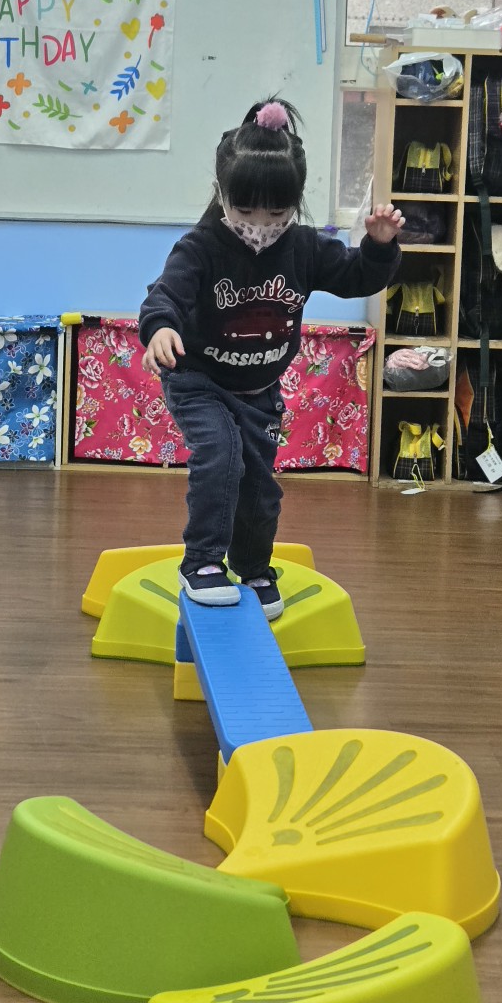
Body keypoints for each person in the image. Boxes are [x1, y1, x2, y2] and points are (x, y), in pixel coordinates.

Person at [139, 97, 403, 620]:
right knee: (221, 456)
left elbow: (358, 277)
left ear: (295, 204)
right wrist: (161, 328)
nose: (259, 225)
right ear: (221, 194)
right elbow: (165, 294)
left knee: (260, 488)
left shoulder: (304, 248)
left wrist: (378, 247)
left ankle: (254, 568)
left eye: (277, 214)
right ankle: (202, 564)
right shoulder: (201, 247)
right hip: (199, 380)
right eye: (244, 212)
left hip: (259, 391)